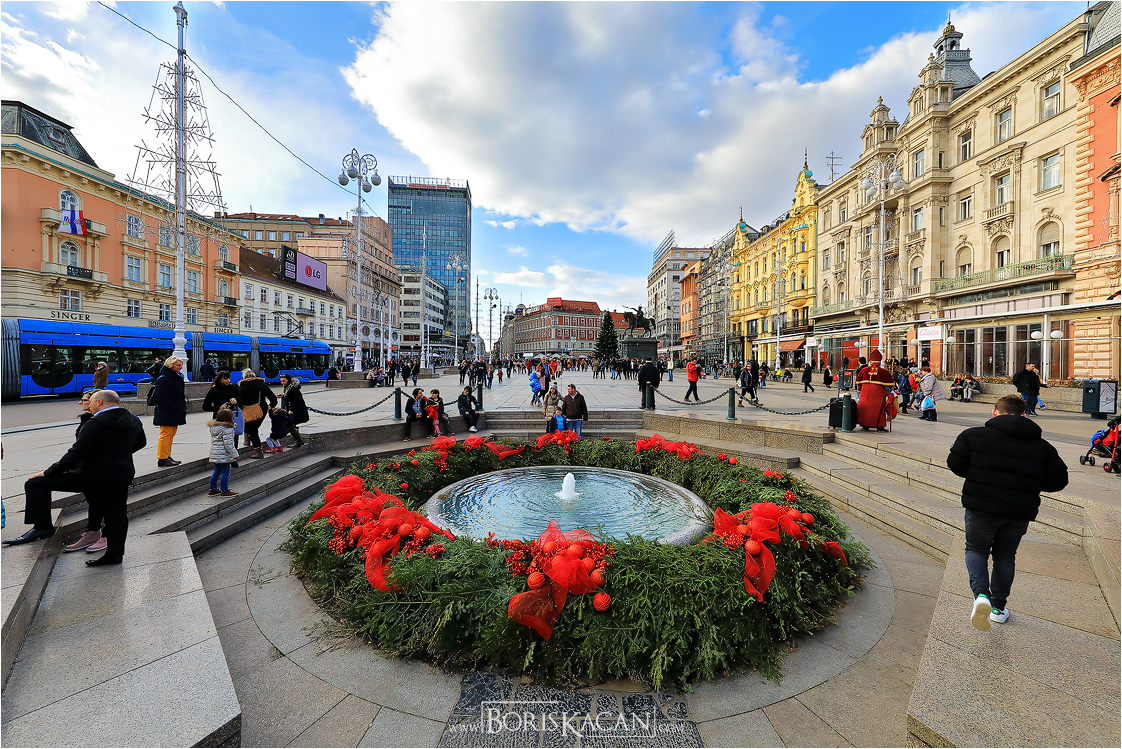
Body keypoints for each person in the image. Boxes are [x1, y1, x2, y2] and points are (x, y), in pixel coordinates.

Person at [947, 394, 1069, 630]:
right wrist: (1030, 483)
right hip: (1018, 510)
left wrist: (978, 474)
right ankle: (998, 608)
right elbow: (1059, 480)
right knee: (1005, 556)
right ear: (1023, 414)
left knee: (976, 550)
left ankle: (981, 595)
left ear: (995, 412)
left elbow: (955, 463)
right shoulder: (1042, 447)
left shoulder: (973, 436)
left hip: (981, 505)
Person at [5, 390, 145, 567]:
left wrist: (49, 471)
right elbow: (141, 442)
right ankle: (115, 555)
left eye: (90, 401)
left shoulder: (96, 422)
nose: (88, 405)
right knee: (117, 514)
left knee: (35, 484)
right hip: (120, 474)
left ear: (99, 402)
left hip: (92, 475)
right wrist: (117, 455)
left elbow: (76, 453)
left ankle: (42, 527)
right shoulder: (133, 419)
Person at [62, 390, 104, 553]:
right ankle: (93, 532)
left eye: (85, 400)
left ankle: (102, 535)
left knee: (101, 501)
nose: (80, 403)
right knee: (94, 500)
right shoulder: (87, 419)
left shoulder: (100, 421)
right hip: (86, 467)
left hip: (98, 470)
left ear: (97, 401)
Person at [153, 355, 188, 467]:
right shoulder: (164, 378)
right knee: (166, 435)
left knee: (170, 435)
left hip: (173, 410)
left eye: (181, 365)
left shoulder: (174, 377)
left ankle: (166, 456)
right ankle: (162, 457)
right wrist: (174, 406)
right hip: (167, 411)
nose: (180, 367)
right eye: (178, 365)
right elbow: (160, 397)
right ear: (170, 365)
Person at [238, 369, 277, 459]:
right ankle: (248, 440)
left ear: (244, 377)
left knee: (252, 430)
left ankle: (259, 452)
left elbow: (240, 402)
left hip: (249, 410)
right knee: (253, 428)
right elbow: (273, 398)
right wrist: (270, 406)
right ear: (254, 376)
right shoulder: (262, 385)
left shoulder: (242, 387)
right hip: (261, 409)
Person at [854, 351, 895, 431]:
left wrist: (859, 390)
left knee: (865, 408)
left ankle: (865, 425)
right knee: (879, 408)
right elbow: (891, 384)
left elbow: (858, 382)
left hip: (865, 392)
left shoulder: (864, 370)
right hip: (878, 392)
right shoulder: (883, 371)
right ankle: (880, 426)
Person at [207, 408, 239, 497]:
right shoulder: (227, 429)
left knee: (216, 471)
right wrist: (235, 454)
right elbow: (228, 444)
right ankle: (224, 490)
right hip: (223, 454)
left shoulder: (214, 427)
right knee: (225, 472)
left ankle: (212, 489)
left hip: (215, 453)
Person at [278, 373, 308, 448]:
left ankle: (299, 440)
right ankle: (297, 440)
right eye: (281, 381)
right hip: (296, 411)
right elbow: (290, 397)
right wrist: (282, 395)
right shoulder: (289, 388)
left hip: (298, 411)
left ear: (288, 380)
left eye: (284, 381)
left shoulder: (293, 389)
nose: (282, 383)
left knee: (289, 424)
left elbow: (297, 400)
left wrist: (291, 410)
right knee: (290, 424)